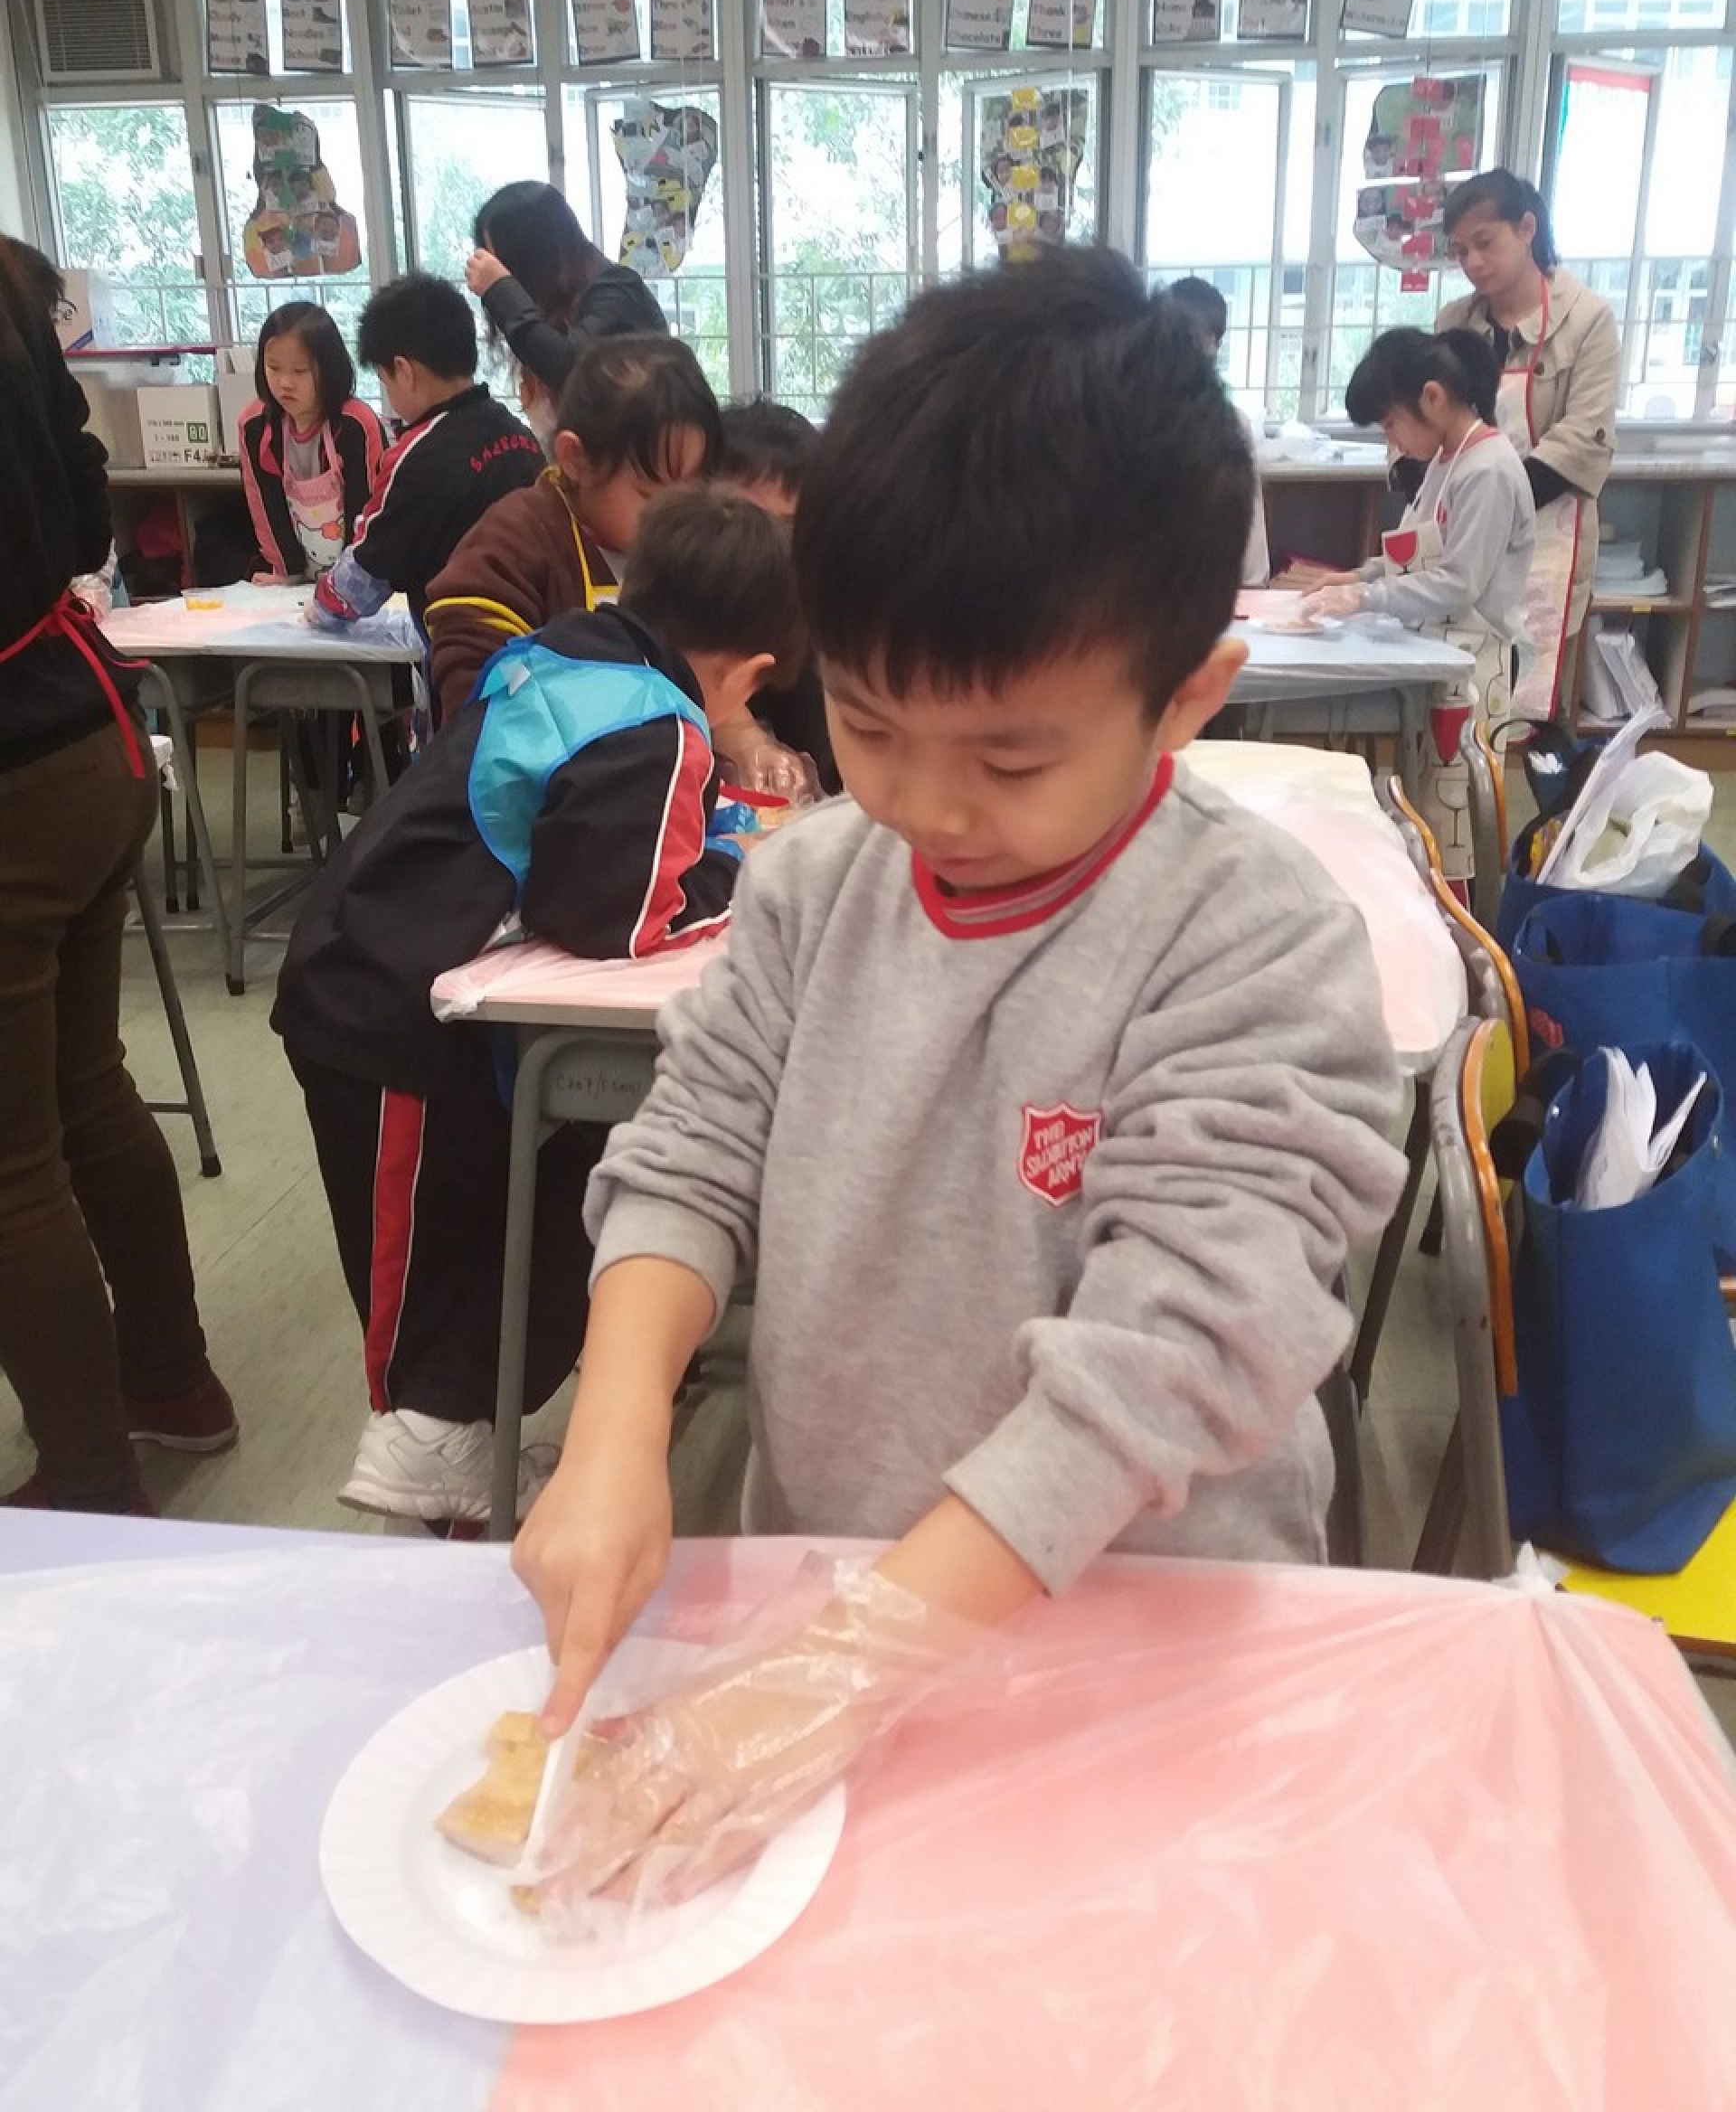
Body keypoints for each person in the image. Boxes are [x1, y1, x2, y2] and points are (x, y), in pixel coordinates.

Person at [508, 250, 1408, 1908]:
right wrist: (616, 1431)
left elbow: (1171, 1362)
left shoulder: (1251, 941)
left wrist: (844, 1667)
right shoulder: (812, 887)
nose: (925, 804)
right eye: (868, 724)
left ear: (1185, 700)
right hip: (841, 1586)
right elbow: (690, 1152)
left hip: (1141, 1646)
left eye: (1009, 755)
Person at [271, 485, 803, 1532]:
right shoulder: (660, 724)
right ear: (749, 674)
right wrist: (745, 870)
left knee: (473, 1225)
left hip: (380, 961)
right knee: (422, 1258)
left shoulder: (569, 653)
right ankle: (425, 1448)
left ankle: (455, 1438)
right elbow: (619, 914)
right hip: (387, 1001)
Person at [0, 239, 234, 1517]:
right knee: (88, 1088)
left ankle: (91, 1478)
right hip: (84, 736)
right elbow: (85, 504)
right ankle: (171, 1381)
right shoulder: (10, 307)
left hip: (15, 777)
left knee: (11, 1165)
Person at [1292, 327, 1533, 888]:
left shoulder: (1489, 470)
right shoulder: (1449, 460)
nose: (1393, 439)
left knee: (1455, 821)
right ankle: (1435, 907)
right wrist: (1359, 575)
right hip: (1439, 656)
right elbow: (1419, 550)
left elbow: (1458, 582)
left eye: (1391, 424)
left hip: (1476, 664)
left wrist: (1366, 598)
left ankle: (1463, 927)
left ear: (1433, 397)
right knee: (1430, 812)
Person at [422, 333, 721, 723]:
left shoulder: (692, 546)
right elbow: (480, 695)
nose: (675, 518)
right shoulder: (518, 539)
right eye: (650, 496)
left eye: (691, 494)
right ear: (575, 458)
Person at [1436, 168, 1619, 714]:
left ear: (1527, 228)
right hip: (1464, 526)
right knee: (1460, 693)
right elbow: (1428, 409)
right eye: (1461, 251)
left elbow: (1585, 435)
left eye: (1484, 243)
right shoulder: (1455, 321)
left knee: (1532, 698)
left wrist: (1501, 495)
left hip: (1546, 530)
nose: (1473, 263)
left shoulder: (1587, 319)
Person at [304, 275, 542, 687]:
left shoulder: (415, 456)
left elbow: (362, 579)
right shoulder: (520, 437)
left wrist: (320, 609)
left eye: (385, 380)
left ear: (403, 370)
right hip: (539, 646)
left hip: (464, 660)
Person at [712, 398, 839, 795]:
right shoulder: (667, 608)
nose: (761, 547)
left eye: (785, 527)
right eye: (742, 520)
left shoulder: (823, 625)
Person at [464, 180, 668, 420]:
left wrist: (501, 290)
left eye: (501, 263)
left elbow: (573, 369)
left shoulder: (617, 290)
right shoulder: (563, 309)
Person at [237, 300, 385, 586]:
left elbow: (369, 509)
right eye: (274, 368)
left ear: (329, 369)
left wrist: (352, 581)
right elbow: (265, 506)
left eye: (300, 371)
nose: (285, 383)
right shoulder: (255, 425)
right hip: (295, 579)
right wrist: (286, 574)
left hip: (360, 578)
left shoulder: (355, 424)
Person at [1166, 277, 1269, 587]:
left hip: (1219, 586)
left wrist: (1253, 585)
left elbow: (1249, 521)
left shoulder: (1231, 422)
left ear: (1214, 345)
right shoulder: (1133, 417)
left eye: (1203, 341)